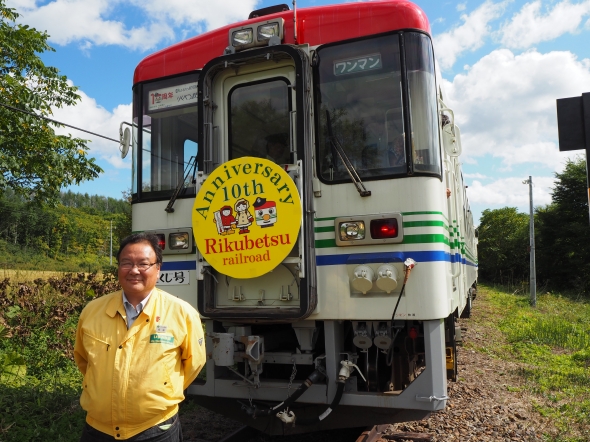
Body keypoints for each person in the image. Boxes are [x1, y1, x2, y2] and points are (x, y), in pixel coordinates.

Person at [74, 233, 206, 442]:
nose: (134, 270)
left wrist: (162, 391)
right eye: (126, 263)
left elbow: (193, 364)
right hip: (98, 429)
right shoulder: (92, 311)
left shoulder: (182, 313)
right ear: (118, 267)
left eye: (143, 264)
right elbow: (83, 360)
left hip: (156, 429)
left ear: (158, 268)